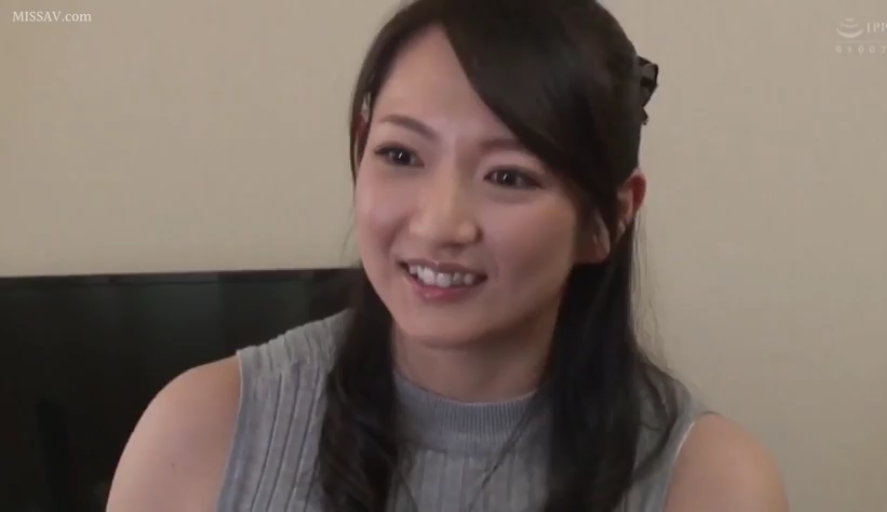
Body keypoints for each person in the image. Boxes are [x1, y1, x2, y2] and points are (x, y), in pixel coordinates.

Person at [107, 0, 789, 510]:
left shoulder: (714, 484)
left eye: (509, 176)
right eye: (401, 155)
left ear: (607, 219)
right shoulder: (201, 431)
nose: (439, 224)